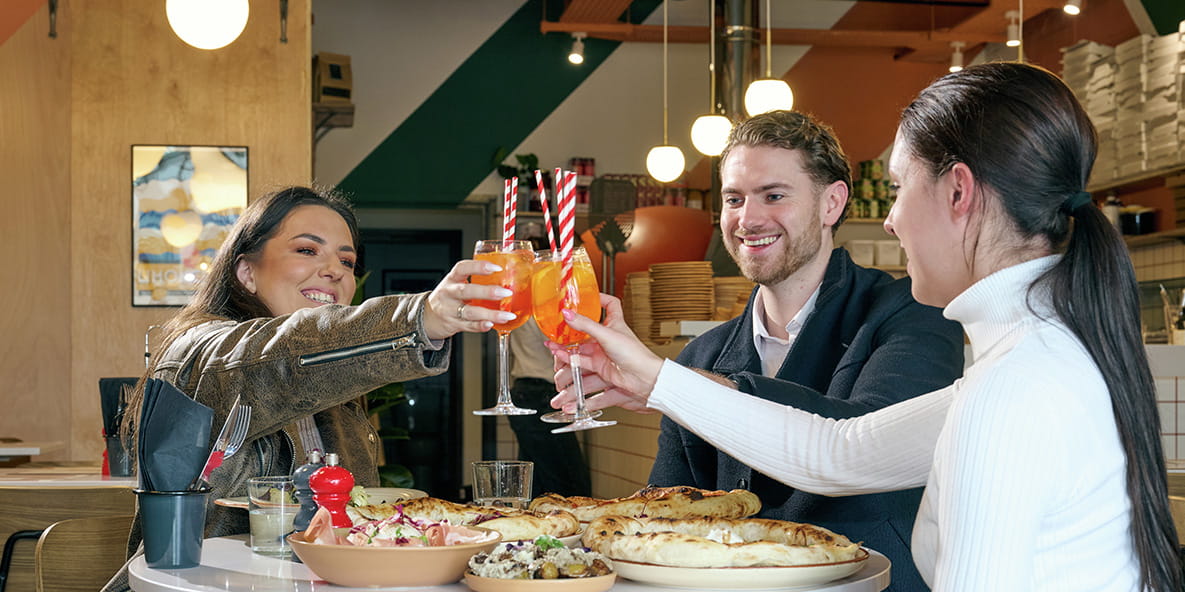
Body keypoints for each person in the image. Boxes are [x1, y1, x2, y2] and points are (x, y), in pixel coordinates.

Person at [550, 63, 1182, 592]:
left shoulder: (1013, 388)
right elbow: (835, 452)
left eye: (901, 187)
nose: (890, 221)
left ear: (958, 192)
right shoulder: (1036, 359)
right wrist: (657, 378)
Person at [106, 186, 511, 591]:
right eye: (307, 250)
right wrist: (417, 317)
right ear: (246, 271)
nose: (335, 269)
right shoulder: (202, 351)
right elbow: (277, 356)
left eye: (347, 259)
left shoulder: (337, 385)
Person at [646, 110, 964, 592]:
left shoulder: (911, 314)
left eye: (773, 196)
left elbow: (860, 440)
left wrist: (669, 383)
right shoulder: (700, 357)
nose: (748, 219)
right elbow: (664, 514)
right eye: (734, 199)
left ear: (831, 202)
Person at [507, 317, 592, 497]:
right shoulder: (541, 311)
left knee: (534, 482)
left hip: (526, 393)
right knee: (569, 487)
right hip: (541, 396)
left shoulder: (523, 309)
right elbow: (560, 346)